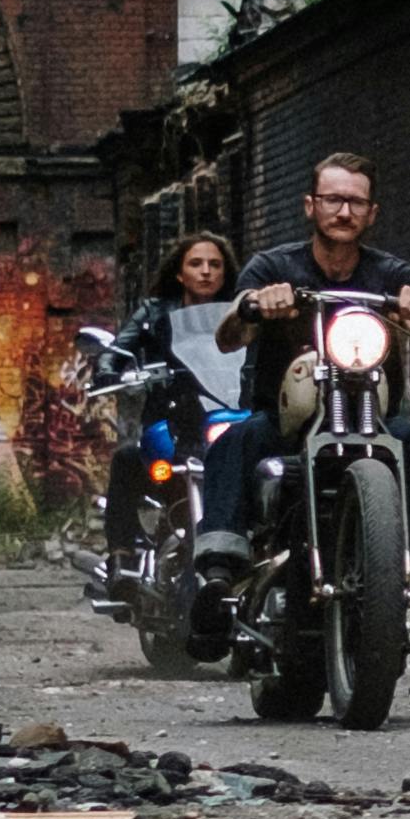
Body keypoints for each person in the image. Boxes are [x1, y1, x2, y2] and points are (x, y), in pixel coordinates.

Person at [197, 151, 410, 661]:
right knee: (232, 440)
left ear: (372, 213)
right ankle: (217, 580)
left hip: (374, 419)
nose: (344, 211)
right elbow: (230, 335)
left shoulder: (391, 274)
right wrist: (255, 304)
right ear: (310, 205)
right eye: (333, 199)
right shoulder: (274, 266)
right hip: (285, 422)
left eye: (355, 202)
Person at [95, 225, 236, 588]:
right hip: (172, 415)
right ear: (179, 272)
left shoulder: (241, 313)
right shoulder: (154, 311)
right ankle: (121, 557)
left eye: (215, 264)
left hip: (225, 410)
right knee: (128, 461)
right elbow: (119, 349)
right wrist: (108, 370)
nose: (206, 271)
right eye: (196, 263)